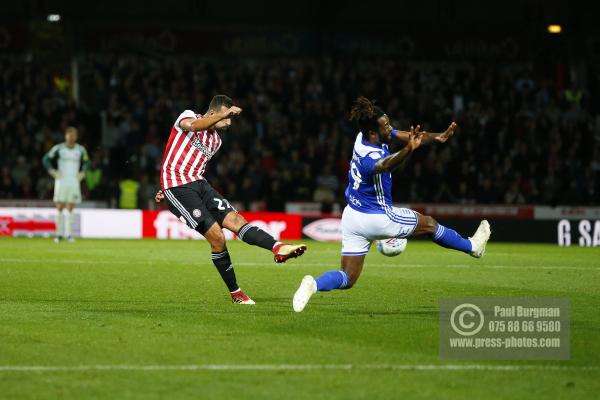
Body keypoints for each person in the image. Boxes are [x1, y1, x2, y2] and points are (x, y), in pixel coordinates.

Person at [292, 97, 491, 312]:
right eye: (385, 126)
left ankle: (313, 285)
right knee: (430, 224)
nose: (390, 128)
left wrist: (436, 137)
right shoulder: (371, 156)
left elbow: (407, 136)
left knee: (348, 277)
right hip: (377, 217)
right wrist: (408, 150)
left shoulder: (362, 137)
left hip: (352, 217)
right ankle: (473, 247)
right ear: (373, 133)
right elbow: (385, 164)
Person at [155, 94, 306, 305]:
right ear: (216, 112)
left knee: (236, 220)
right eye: (227, 117)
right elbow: (194, 127)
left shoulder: (216, 140)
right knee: (217, 237)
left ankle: (278, 247)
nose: (229, 123)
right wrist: (166, 189)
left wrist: (223, 117)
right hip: (177, 186)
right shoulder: (188, 115)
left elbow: (192, 163)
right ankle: (236, 293)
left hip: (199, 184)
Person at [42, 126, 89, 243]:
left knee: (71, 206)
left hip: (74, 180)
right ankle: (58, 234)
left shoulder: (80, 150)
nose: (71, 137)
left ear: (76, 136)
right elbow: (46, 159)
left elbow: (87, 162)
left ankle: (69, 234)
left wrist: (83, 172)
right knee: (59, 206)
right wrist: (52, 171)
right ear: (66, 136)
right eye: (69, 134)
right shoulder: (59, 148)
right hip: (61, 180)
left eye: (74, 135)